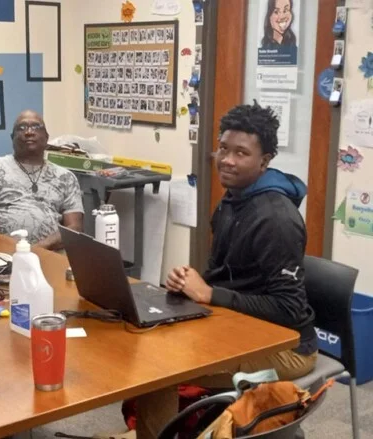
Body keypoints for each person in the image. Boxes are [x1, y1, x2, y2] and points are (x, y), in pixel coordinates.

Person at [135, 102, 318, 438]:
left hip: (287, 348)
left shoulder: (276, 219)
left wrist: (210, 293)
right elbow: (224, 272)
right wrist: (189, 283)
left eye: (241, 153)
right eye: (223, 149)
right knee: (150, 338)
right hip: (238, 324)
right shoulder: (232, 200)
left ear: (264, 161)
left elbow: (289, 309)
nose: (227, 160)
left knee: (159, 371)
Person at [0, 110, 84, 250]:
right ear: (12, 137)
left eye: (36, 127)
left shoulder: (66, 177)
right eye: (22, 127)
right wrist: (4, 245)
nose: (29, 132)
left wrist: (37, 249)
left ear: (46, 137)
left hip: (50, 253)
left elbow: (75, 227)